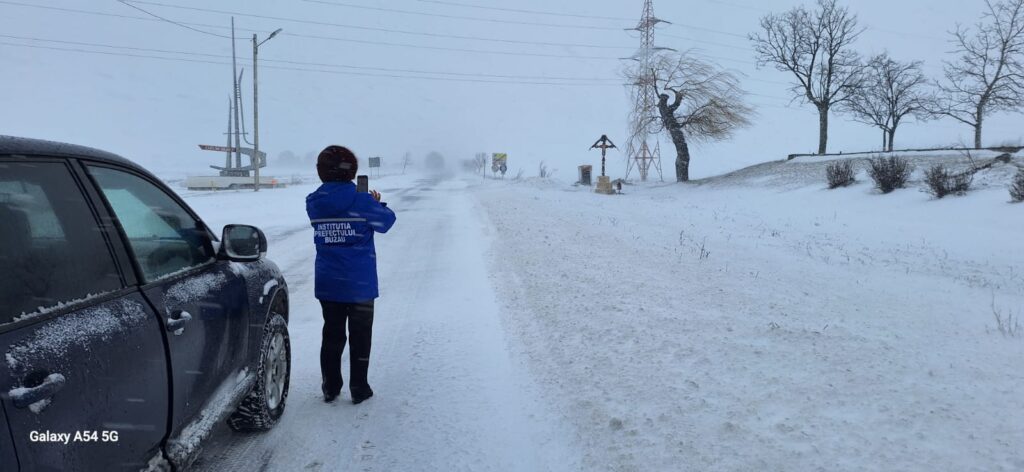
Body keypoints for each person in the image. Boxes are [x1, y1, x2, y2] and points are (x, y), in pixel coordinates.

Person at [306, 145, 397, 404]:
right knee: (360, 338)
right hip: (360, 284)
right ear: (351, 171)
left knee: (331, 336)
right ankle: (359, 388)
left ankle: (330, 387)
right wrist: (375, 203)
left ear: (322, 171)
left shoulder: (314, 202)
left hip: (328, 282)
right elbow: (386, 223)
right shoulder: (362, 200)